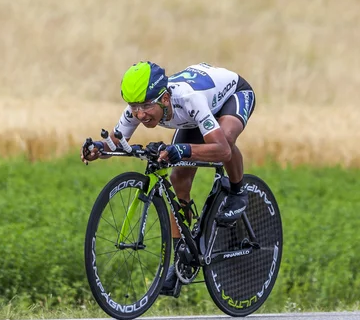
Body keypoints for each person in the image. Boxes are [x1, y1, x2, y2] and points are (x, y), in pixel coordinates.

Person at [80, 61, 256, 295]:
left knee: (224, 138)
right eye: (134, 107)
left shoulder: (187, 99)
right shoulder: (140, 108)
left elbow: (221, 150)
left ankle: (237, 191)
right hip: (194, 117)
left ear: (164, 99)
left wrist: (182, 151)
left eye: (145, 106)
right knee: (179, 177)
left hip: (233, 95)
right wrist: (99, 149)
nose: (140, 114)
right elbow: (117, 142)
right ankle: (181, 259)